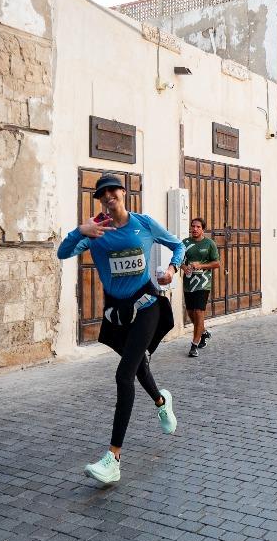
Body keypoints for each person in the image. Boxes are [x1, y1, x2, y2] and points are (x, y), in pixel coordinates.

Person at [58, 173, 184, 485]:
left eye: (112, 190)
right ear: (99, 200)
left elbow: (177, 245)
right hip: (117, 313)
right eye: (102, 194)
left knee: (123, 374)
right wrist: (79, 232)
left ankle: (113, 458)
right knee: (137, 364)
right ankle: (161, 401)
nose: (108, 197)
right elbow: (63, 253)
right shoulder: (96, 230)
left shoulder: (144, 223)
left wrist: (171, 270)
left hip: (147, 306)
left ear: (123, 193)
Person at [181, 217, 220, 358]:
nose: (195, 229)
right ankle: (203, 333)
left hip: (203, 283)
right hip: (189, 283)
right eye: (193, 226)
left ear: (203, 229)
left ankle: (194, 345)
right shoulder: (185, 243)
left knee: (198, 312)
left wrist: (201, 266)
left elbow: (216, 264)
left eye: (198, 227)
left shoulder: (209, 244)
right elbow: (179, 260)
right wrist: (184, 267)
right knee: (191, 313)